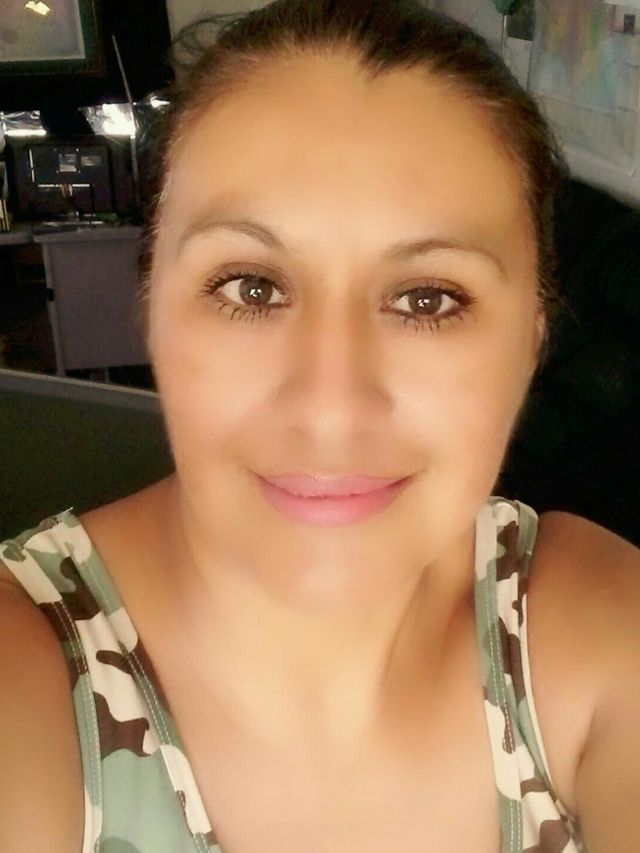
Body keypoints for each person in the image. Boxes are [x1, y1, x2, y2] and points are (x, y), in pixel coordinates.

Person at [1, 1, 638, 850]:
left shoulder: (596, 627)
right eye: (252, 287)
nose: (331, 406)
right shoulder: (25, 669)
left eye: (428, 299)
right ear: (150, 311)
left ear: (533, 338)